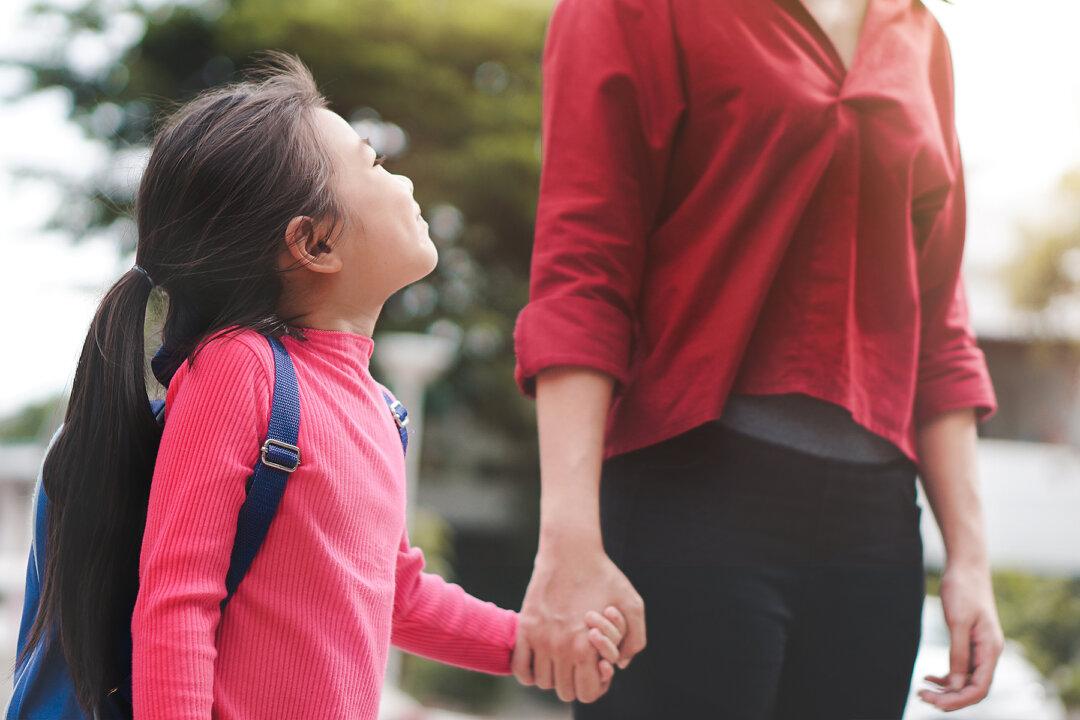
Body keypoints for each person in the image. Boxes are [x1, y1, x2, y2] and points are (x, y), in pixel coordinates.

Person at [8, 53, 625, 720]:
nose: (402, 180)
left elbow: (399, 593)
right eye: (374, 164)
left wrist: (528, 643)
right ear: (313, 244)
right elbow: (177, 601)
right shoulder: (238, 369)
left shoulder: (378, 408)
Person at [511, 0, 1005, 718]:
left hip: (875, 535)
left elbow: (939, 320)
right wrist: (566, 543)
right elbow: (583, 272)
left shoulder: (918, 35)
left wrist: (970, 559)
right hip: (686, 505)